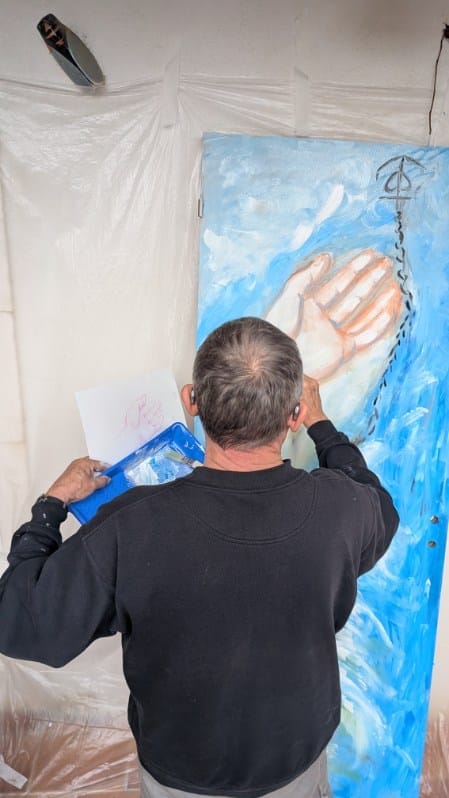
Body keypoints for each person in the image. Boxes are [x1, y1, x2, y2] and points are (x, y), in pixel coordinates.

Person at [0, 316, 399, 798]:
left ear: (191, 400)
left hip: (182, 774)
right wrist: (322, 424)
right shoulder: (342, 506)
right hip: (296, 763)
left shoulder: (130, 525)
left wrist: (52, 504)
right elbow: (376, 501)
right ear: (293, 414)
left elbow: (20, 622)